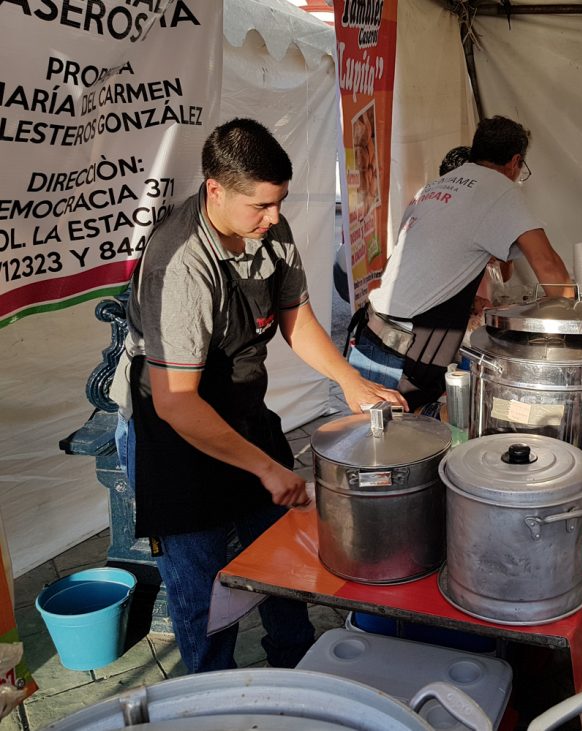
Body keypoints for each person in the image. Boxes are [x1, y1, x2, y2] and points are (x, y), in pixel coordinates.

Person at [112, 118, 406, 674]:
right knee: (202, 593)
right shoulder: (181, 263)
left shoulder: (270, 228)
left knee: (282, 560)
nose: (274, 218)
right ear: (215, 190)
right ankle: (211, 695)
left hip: (240, 408)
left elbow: (296, 316)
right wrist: (267, 469)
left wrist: (349, 380)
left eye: (280, 202)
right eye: (261, 207)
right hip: (171, 431)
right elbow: (176, 402)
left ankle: (296, 669)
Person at [348, 115, 571, 410]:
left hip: (371, 335)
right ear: (515, 161)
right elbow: (549, 266)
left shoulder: (432, 188)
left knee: (372, 435)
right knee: (392, 437)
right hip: (403, 357)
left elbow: (415, 266)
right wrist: (575, 332)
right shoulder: (500, 189)